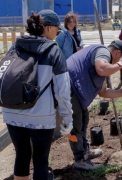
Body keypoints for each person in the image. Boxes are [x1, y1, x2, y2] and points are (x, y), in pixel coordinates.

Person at [3, 10, 73, 180]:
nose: (57, 34)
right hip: (41, 116)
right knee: (40, 161)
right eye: (56, 30)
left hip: (12, 112)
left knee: (22, 155)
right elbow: (62, 91)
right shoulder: (53, 51)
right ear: (48, 28)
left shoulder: (15, 46)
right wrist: (67, 119)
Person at [66, 40, 122, 170]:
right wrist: (120, 64)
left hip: (75, 89)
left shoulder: (103, 60)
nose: (117, 63)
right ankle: (80, 160)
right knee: (76, 124)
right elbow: (102, 69)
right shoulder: (103, 52)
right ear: (117, 52)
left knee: (83, 118)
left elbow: (103, 92)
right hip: (68, 87)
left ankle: (84, 151)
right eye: (120, 58)